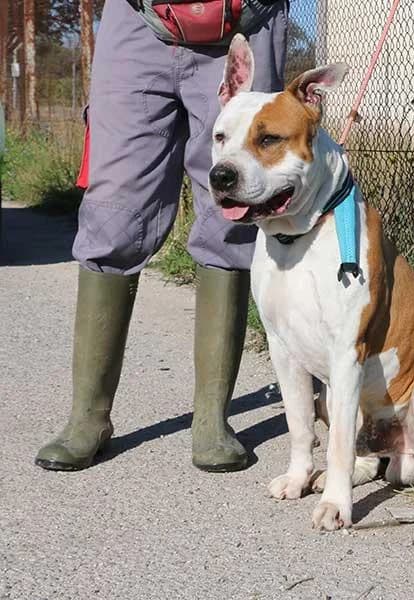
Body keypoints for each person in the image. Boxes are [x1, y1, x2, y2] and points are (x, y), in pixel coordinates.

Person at [35, 0, 288, 473]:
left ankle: (212, 420)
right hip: (139, 18)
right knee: (114, 215)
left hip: (247, 18)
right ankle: (88, 418)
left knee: (232, 216)